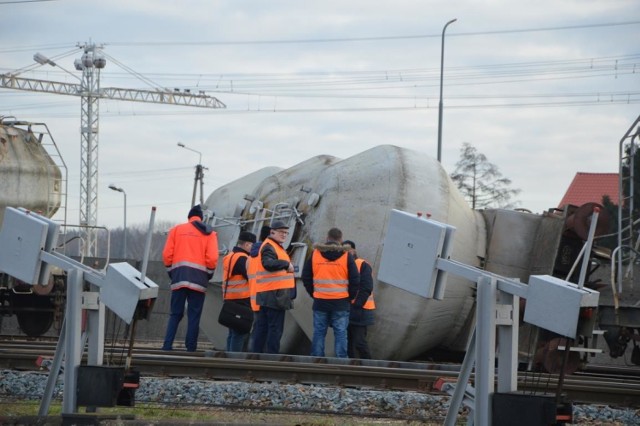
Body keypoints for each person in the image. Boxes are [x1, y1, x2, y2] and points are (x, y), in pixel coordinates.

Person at [161, 204, 219, 352]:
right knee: (194, 315)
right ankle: (191, 348)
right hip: (199, 280)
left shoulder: (176, 230)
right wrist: (209, 274)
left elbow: (167, 255)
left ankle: (167, 346)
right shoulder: (209, 233)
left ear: (189, 217)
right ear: (201, 218)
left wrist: (172, 272)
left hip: (179, 277)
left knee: (175, 314)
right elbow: (212, 258)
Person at [302, 228, 360, 358]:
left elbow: (306, 277)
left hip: (320, 302)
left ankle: (317, 359)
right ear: (341, 240)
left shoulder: (315, 254)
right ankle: (341, 360)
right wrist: (349, 297)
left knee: (319, 332)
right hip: (341, 302)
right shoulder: (346, 256)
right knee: (340, 332)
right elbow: (355, 279)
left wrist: (314, 293)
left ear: (327, 238)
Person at [252, 221, 295, 354]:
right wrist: (286, 264)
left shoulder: (275, 246)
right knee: (274, 328)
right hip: (274, 294)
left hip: (270, 293)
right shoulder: (270, 246)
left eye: (286, 233)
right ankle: (272, 357)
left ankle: (257, 355)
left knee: (263, 327)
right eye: (281, 232)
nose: (284, 235)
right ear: (272, 232)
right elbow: (268, 263)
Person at [222, 231, 257, 352]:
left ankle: (229, 358)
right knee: (239, 333)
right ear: (247, 244)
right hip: (241, 299)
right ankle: (234, 360)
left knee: (232, 333)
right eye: (252, 245)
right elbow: (251, 276)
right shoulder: (243, 258)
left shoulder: (230, 256)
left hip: (230, 298)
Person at [344, 240, 375, 359]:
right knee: (349, 341)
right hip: (350, 309)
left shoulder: (362, 264)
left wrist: (357, 305)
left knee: (359, 342)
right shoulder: (346, 265)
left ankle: (369, 365)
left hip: (362, 309)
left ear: (353, 250)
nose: (346, 253)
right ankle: (351, 366)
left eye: (348, 250)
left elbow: (367, 287)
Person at [248, 225, 271, 353]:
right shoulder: (268, 252)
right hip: (266, 297)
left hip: (254, 297)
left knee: (256, 329)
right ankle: (258, 357)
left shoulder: (251, 255)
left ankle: (253, 355)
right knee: (263, 330)